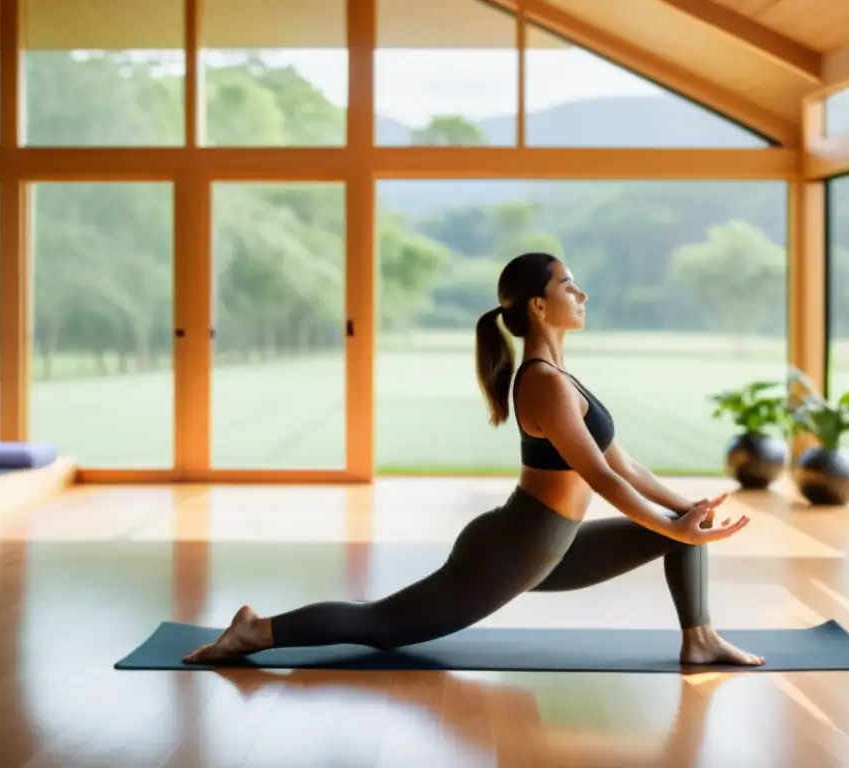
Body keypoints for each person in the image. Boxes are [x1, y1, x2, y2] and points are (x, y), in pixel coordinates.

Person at [184, 252, 764, 667]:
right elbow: (602, 478)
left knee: (685, 527)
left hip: (548, 547)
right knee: (383, 626)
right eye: (569, 285)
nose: (581, 294)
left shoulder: (563, 378)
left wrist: (685, 509)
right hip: (512, 550)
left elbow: (626, 465)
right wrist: (674, 527)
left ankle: (701, 639)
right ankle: (255, 632)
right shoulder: (542, 384)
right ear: (539, 305)